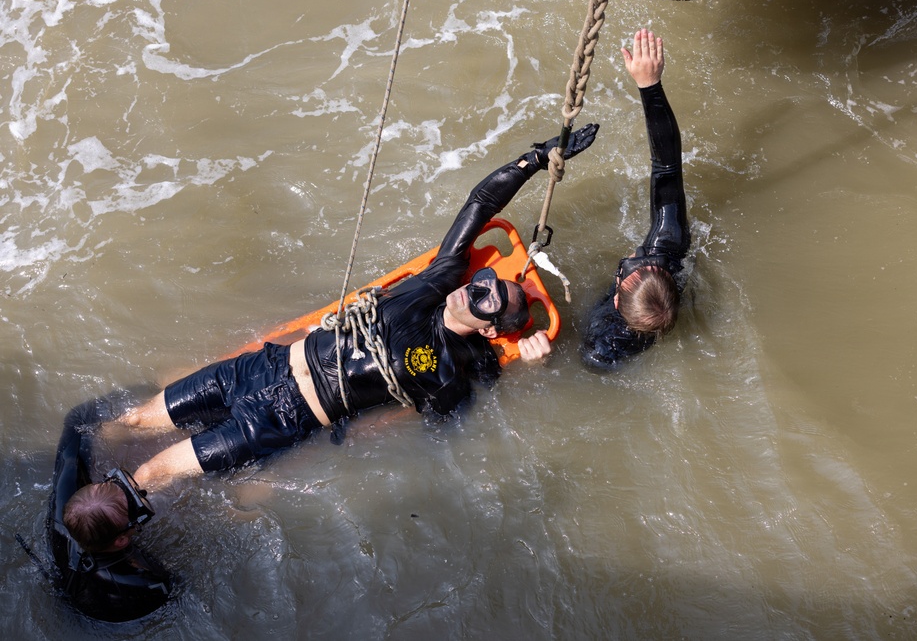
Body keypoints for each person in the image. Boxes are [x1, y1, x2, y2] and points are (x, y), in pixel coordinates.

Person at [70, 123, 598, 500]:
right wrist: (538, 157)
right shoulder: (435, 284)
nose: (476, 289)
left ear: (492, 327)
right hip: (262, 366)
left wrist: (533, 367)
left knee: (154, 474)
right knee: (134, 421)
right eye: (483, 282)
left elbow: (447, 430)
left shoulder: (453, 369)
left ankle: (106, 524)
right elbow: (480, 203)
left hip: (284, 417)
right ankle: (77, 466)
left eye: (488, 299)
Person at [580, 29, 691, 371]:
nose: (637, 255)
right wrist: (649, 86)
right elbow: (667, 165)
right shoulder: (669, 245)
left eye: (631, 265)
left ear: (617, 297)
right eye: (646, 261)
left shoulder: (600, 347)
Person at [48, 394, 172, 622]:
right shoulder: (146, 581)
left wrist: (125, 398)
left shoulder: (63, 505)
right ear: (122, 541)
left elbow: (77, 418)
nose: (137, 492)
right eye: (133, 504)